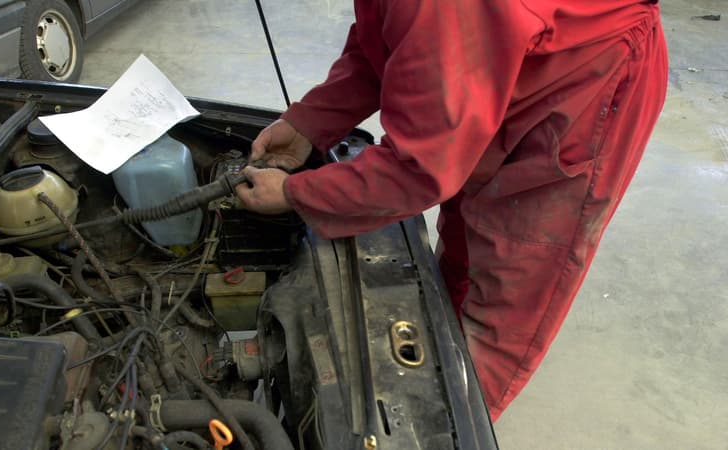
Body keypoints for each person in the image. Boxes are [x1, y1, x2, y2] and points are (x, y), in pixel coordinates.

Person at [235, 0, 667, 421]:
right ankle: (444, 335)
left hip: (586, 80)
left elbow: (418, 171)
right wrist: (310, 122)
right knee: (463, 235)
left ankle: (446, 422)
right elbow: (382, 42)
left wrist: (297, 193)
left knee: (509, 289)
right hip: (508, 49)